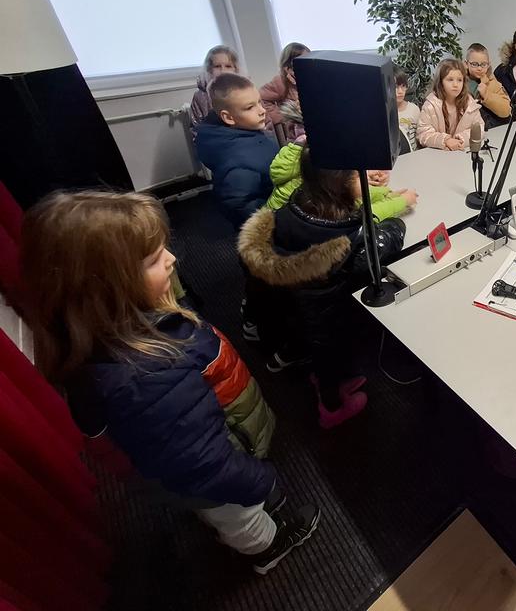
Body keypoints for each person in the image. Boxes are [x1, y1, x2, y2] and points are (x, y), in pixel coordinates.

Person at [19, 191, 320, 574]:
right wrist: (257, 481)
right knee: (241, 518)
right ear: (107, 289)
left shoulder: (100, 339)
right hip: (216, 473)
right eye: (153, 260)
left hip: (183, 466)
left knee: (223, 503)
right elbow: (202, 463)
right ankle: (267, 548)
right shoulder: (147, 374)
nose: (172, 258)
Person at [238, 150, 407, 427]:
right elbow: (374, 252)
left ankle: (327, 378)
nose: (366, 177)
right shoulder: (345, 237)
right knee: (329, 360)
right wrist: (395, 228)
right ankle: (331, 407)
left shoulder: (293, 210)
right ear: (341, 184)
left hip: (296, 310)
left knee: (325, 358)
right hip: (326, 322)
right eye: (359, 175)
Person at [265, 132, 417, 217]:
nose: (365, 177)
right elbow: (364, 219)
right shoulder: (320, 208)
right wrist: (402, 201)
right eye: (359, 175)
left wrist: (386, 194)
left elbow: (354, 197)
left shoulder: (321, 178)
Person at [196, 73, 279, 229]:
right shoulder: (239, 161)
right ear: (228, 118)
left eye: (259, 102)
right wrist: (277, 219)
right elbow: (240, 204)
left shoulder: (242, 132)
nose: (262, 110)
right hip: (267, 223)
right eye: (250, 107)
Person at [416, 59, 484, 151]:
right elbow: (423, 133)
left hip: (461, 152)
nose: (455, 85)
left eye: (459, 80)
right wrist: (445, 140)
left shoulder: (469, 103)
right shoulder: (430, 105)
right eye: (450, 80)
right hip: (437, 154)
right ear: (441, 82)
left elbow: (480, 128)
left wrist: (461, 139)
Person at [260, 42, 309, 142]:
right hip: (295, 134)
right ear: (289, 67)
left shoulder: (311, 78)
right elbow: (262, 97)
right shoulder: (281, 82)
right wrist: (281, 116)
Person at [188, 45, 239, 142]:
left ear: (236, 69)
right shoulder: (200, 97)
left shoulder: (245, 92)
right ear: (209, 69)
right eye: (217, 66)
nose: (223, 71)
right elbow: (197, 130)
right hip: (215, 144)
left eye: (228, 66)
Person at [464, 43, 512, 129]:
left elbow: (506, 111)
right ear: (466, 64)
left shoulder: (491, 81)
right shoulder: (459, 81)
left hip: (492, 128)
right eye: (474, 64)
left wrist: (486, 95)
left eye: (483, 64)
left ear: (488, 64)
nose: (479, 68)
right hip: (467, 130)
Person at [395, 72, 420, 152]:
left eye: (403, 86)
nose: (400, 91)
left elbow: (420, 136)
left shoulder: (414, 109)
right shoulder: (384, 113)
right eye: (395, 87)